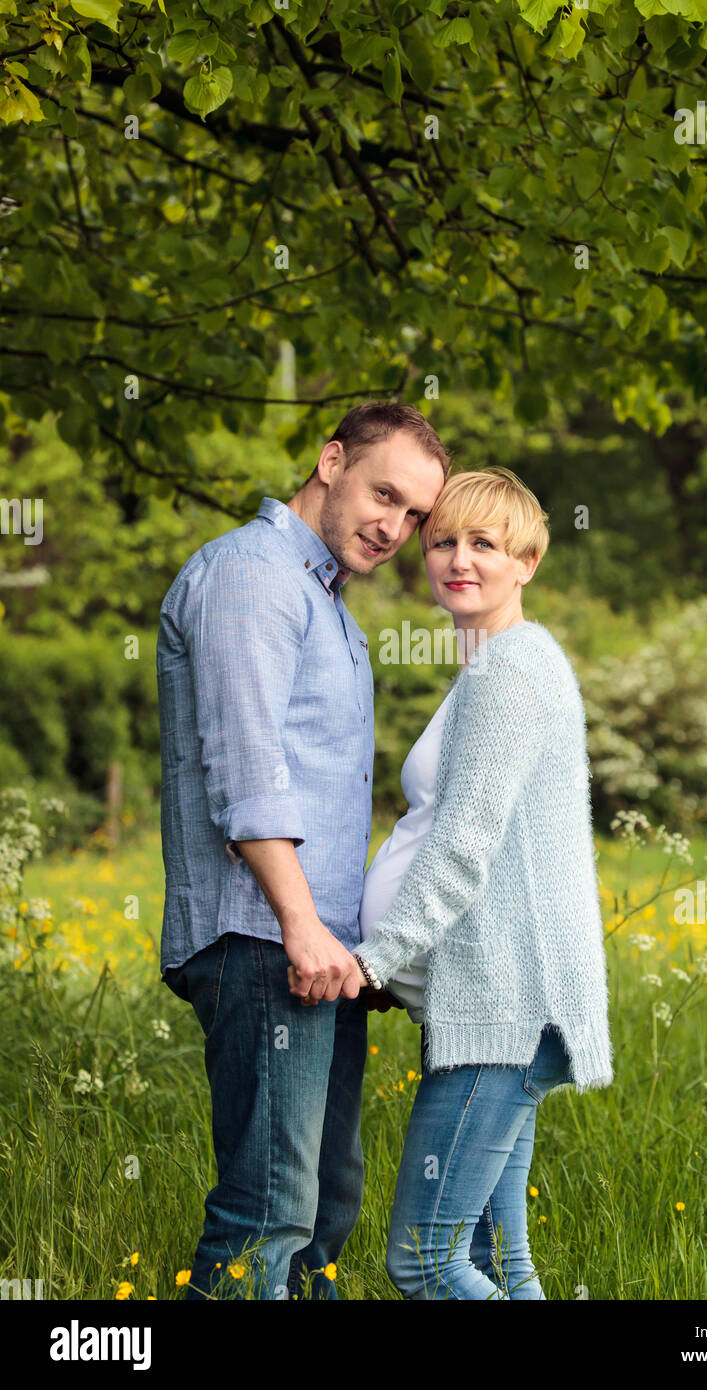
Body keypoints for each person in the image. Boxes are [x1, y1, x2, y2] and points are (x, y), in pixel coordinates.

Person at [297, 465, 615, 1299]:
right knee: (503, 1264)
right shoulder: (494, 667)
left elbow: (464, 847)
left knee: (427, 1261)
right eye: (443, 541)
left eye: (484, 543)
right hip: (497, 1011)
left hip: (504, 1015)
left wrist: (374, 959)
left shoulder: (508, 675)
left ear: (527, 562)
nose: (458, 559)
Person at [157, 401, 449, 1299]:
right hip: (264, 941)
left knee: (323, 1209)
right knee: (269, 1208)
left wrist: (358, 947)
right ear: (331, 461)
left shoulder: (330, 609)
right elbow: (246, 773)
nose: (393, 528)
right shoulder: (251, 576)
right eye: (383, 495)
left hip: (320, 954)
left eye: (412, 518)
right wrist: (300, 924)